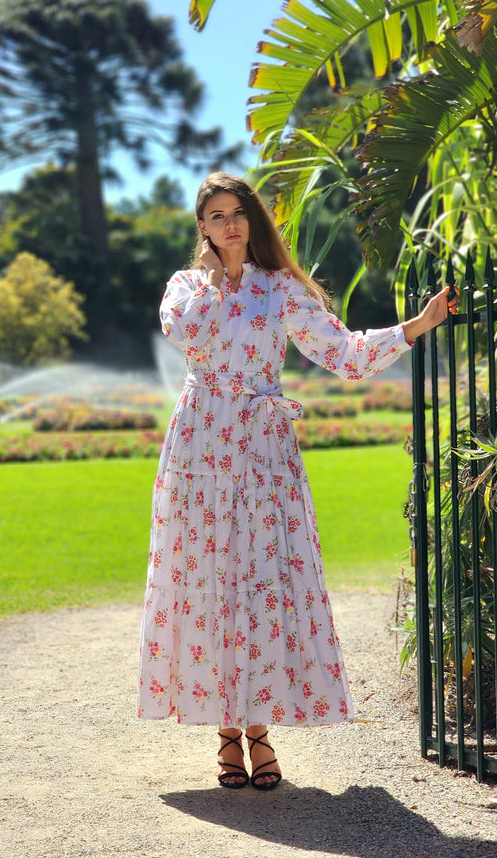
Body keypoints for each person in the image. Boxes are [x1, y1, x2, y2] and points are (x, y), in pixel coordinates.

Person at [137, 172, 456, 791]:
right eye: (217, 216)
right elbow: (185, 332)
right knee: (207, 576)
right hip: (200, 447)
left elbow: (342, 352)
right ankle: (226, 730)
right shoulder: (184, 289)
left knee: (262, 581)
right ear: (202, 227)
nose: (231, 225)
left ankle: (257, 727)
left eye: (239, 213)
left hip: (263, 448)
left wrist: (415, 327)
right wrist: (211, 277)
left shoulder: (279, 289)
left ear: (252, 219)